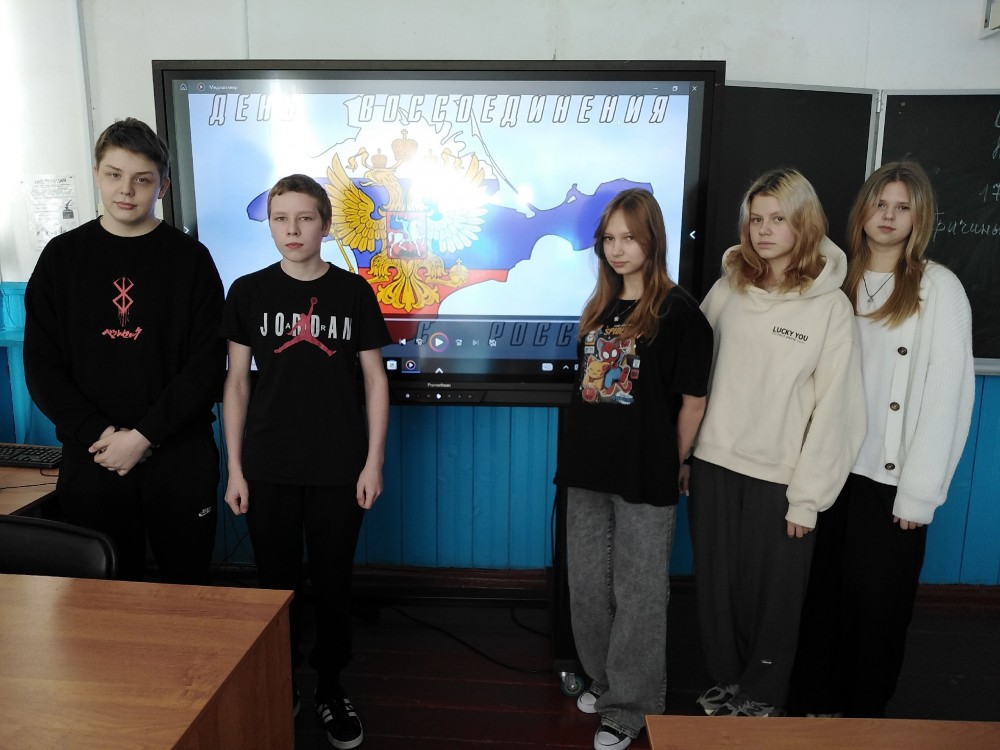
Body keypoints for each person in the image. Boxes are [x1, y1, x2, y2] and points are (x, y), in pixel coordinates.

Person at [787, 161, 975, 718]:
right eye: (880, 203)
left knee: (877, 609)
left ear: (919, 217)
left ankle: (864, 717)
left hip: (888, 480)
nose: (889, 216)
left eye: (902, 207)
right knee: (819, 599)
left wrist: (920, 493)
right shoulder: (832, 276)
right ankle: (815, 709)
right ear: (862, 210)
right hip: (826, 468)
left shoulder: (939, 287)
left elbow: (948, 395)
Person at [222, 173, 390, 749]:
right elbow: (236, 384)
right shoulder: (248, 292)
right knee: (276, 585)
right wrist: (235, 468)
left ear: (326, 224)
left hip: (338, 467)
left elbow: (375, 381)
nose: (292, 230)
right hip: (267, 466)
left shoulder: (352, 292)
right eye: (280, 219)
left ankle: (331, 688)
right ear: (269, 226)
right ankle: (283, 679)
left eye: (304, 218)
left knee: (334, 582)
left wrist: (373, 462)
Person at [689, 168, 865, 718]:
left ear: (804, 224)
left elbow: (838, 410)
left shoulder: (830, 307)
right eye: (756, 219)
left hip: (780, 478)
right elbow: (693, 375)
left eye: (778, 219)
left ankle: (762, 694)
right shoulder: (728, 288)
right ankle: (726, 681)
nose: (764, 230)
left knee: (775, 597)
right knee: (717, 589)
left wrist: (808, 498)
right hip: (713, 463)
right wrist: (685, 454)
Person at [23, 117, 225, 584]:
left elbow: (206, 364)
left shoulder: (191, 260)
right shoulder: (61, 258)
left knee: (186, 588)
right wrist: (100, 434)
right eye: (114, 174)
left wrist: (144, 436)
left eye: (142, 179)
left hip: (178, 457)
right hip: (93, 454)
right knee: (102, 596)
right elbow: (42, 366)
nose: (126, 190)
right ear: (97, 173)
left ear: (163, 186)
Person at [554, 188, 713, 750]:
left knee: (639, 592)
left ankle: (632, 706)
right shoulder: (598, 307)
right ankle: (605, 681)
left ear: (653, 241)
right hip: (586, 469)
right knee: (587, 588)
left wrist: (675, 461)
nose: (617, 249)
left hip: (645, 472)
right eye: (609, 238)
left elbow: (693, 402)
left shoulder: (680, 313)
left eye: (629, 238)